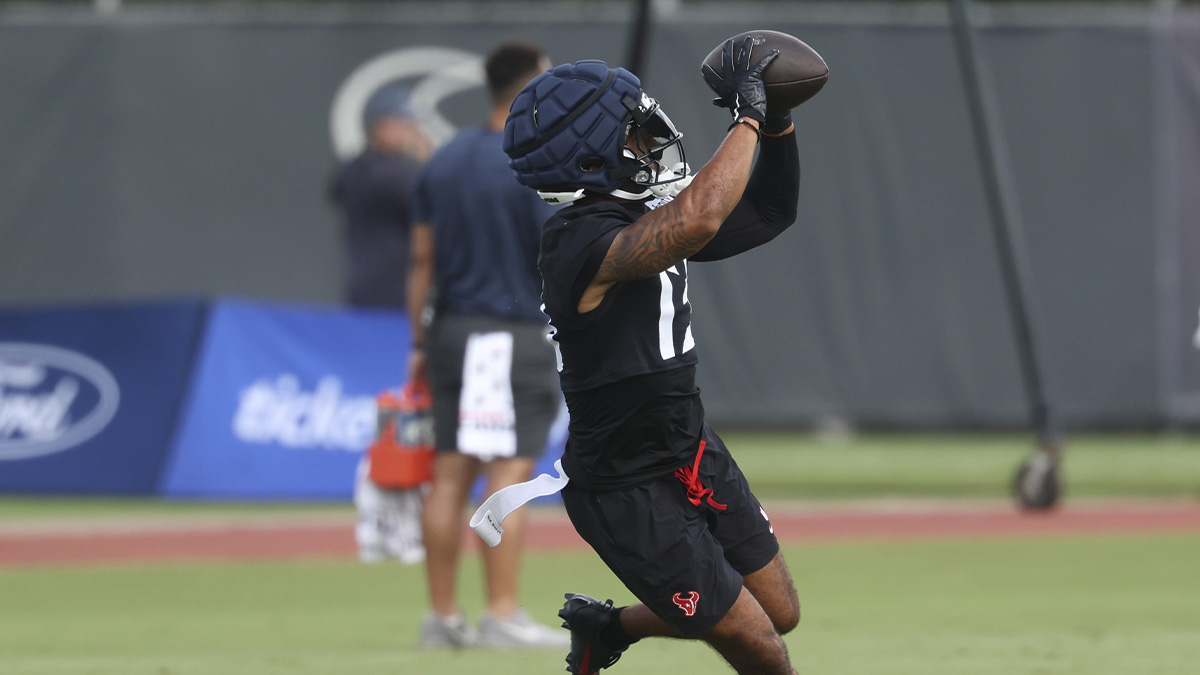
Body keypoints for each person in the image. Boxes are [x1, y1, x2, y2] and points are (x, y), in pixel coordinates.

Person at [502, 38, 802, 674]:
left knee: (779, 612)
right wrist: (746, 116)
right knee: (760, 647)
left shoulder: (639, 209)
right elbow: (695, 221)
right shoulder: (577, 239)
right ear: (592, 155)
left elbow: (772, 209)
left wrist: (777, 124)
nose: (651, 139)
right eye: (633, 133)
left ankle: (606, 626)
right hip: (624, 482)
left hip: (688, 446)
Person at [406, 42, 566, 650]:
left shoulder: (442, 159)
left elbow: (421, 260)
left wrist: (417, 341)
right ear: (532, 89)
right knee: (506, 477)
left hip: (450, 331)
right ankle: (501, 613)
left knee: (448, 476)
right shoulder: (536, 163)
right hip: (513, 333)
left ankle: (442, 618)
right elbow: (558, 256)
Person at [329, 86, 433, 309]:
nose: (414, 130)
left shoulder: (351, 170)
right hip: (398, 294)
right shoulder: (395, 175)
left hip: (362, 289)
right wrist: (430, 163)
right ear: (382, 127)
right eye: (405, 123)